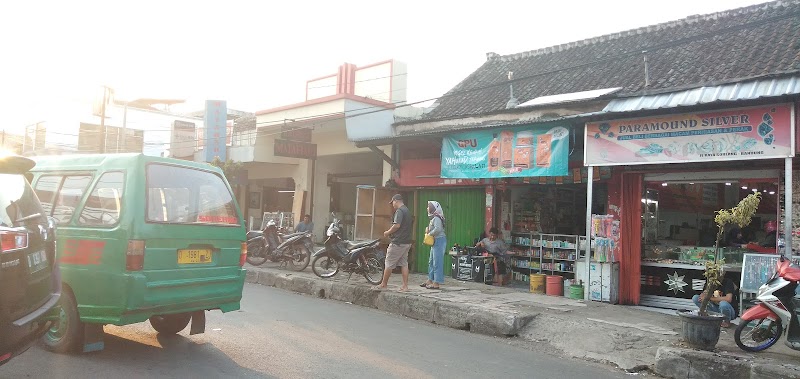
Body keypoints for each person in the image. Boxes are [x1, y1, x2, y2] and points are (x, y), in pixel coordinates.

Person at [373, 194, 412, 292]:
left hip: (398, 242)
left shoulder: (399, 211)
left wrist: (387, 232)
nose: (392, 205)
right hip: (407, 242)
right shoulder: (407, 210)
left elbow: (397, 225)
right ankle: (405, 286)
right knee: (404, 263)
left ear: (396, 201)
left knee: (389, 262)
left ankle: (383, 284)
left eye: (393, 203)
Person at [421, 201, 446, 290]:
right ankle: (430, 280)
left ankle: (436, 283)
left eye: (428, 207)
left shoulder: (437, 218)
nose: (427, 208)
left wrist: (429, 234)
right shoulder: (434, 218)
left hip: (439, 241)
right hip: (435, 241)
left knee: (437, 262)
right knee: (431, 261)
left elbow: (438, 229)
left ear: (433, 208)